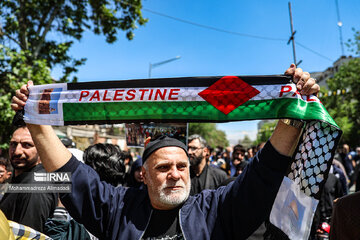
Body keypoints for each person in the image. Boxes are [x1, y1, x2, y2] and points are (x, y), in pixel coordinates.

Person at [11, 64, 320, 239]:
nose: (175, 174)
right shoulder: (117, 208)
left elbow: (263, 173)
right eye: (163, 168)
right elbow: (69, 176)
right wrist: (35, 121)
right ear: (142, 175)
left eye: (181, 166)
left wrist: (294, 108)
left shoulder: (214, 210)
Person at [0, 125, 58, 232]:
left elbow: (29, 235)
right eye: (13, 144)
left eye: (27, 145)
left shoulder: (35, 186)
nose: (17, 151)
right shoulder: (23, 179)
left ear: (41, 149)